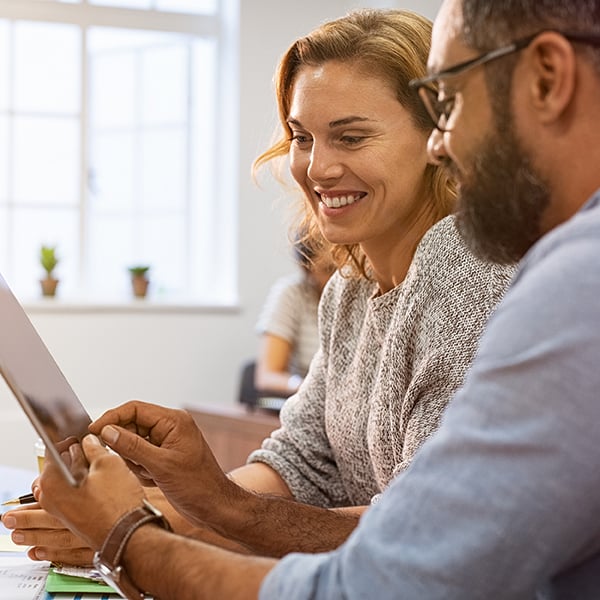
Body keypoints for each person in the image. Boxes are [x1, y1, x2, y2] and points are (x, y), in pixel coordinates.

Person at [4, 6, 518, 571]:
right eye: (302, 138)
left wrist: (169, 519)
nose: (316, 168)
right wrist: (158, 506)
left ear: (437, 137)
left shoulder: (464, 265)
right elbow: (297, 466)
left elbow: (421, 532)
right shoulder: (349, 291)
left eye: (350, 137)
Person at [245, 232, 334, 405]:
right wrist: (304, 388)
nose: (340, 278)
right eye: (329, 269)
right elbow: (268, 376)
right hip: (310, 403)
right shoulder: (293, 293)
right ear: (307, 269)